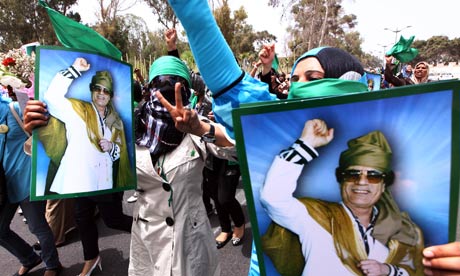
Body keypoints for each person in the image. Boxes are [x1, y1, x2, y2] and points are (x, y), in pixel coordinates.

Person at [259, 119, 424, 275]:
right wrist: (305, 144)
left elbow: (415, 272)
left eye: (373, 176)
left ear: (384, 185)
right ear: (341, 180)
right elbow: (272, 197)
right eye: (352, 174)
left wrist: (388, 271)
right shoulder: (316, 216)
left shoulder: (401, 231)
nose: (361, 182)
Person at [39, 57, 133, 195]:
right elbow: (52, 97)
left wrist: (111, 147)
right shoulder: (77, 110)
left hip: (104, 184)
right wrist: (75, 69)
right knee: (80, 216)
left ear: (111, 95)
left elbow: (121, 150)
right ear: (91, 90)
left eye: (106, 91)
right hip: (76, 184)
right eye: (97, 89)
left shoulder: (116, 121)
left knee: (109, 216)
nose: (101, 94)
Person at [0, 96, 62, 276]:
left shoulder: (14, 109)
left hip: (27, 179)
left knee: (37, 227)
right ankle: (29, 258)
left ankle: (53, 265)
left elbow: (47, 120)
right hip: (5, 185)